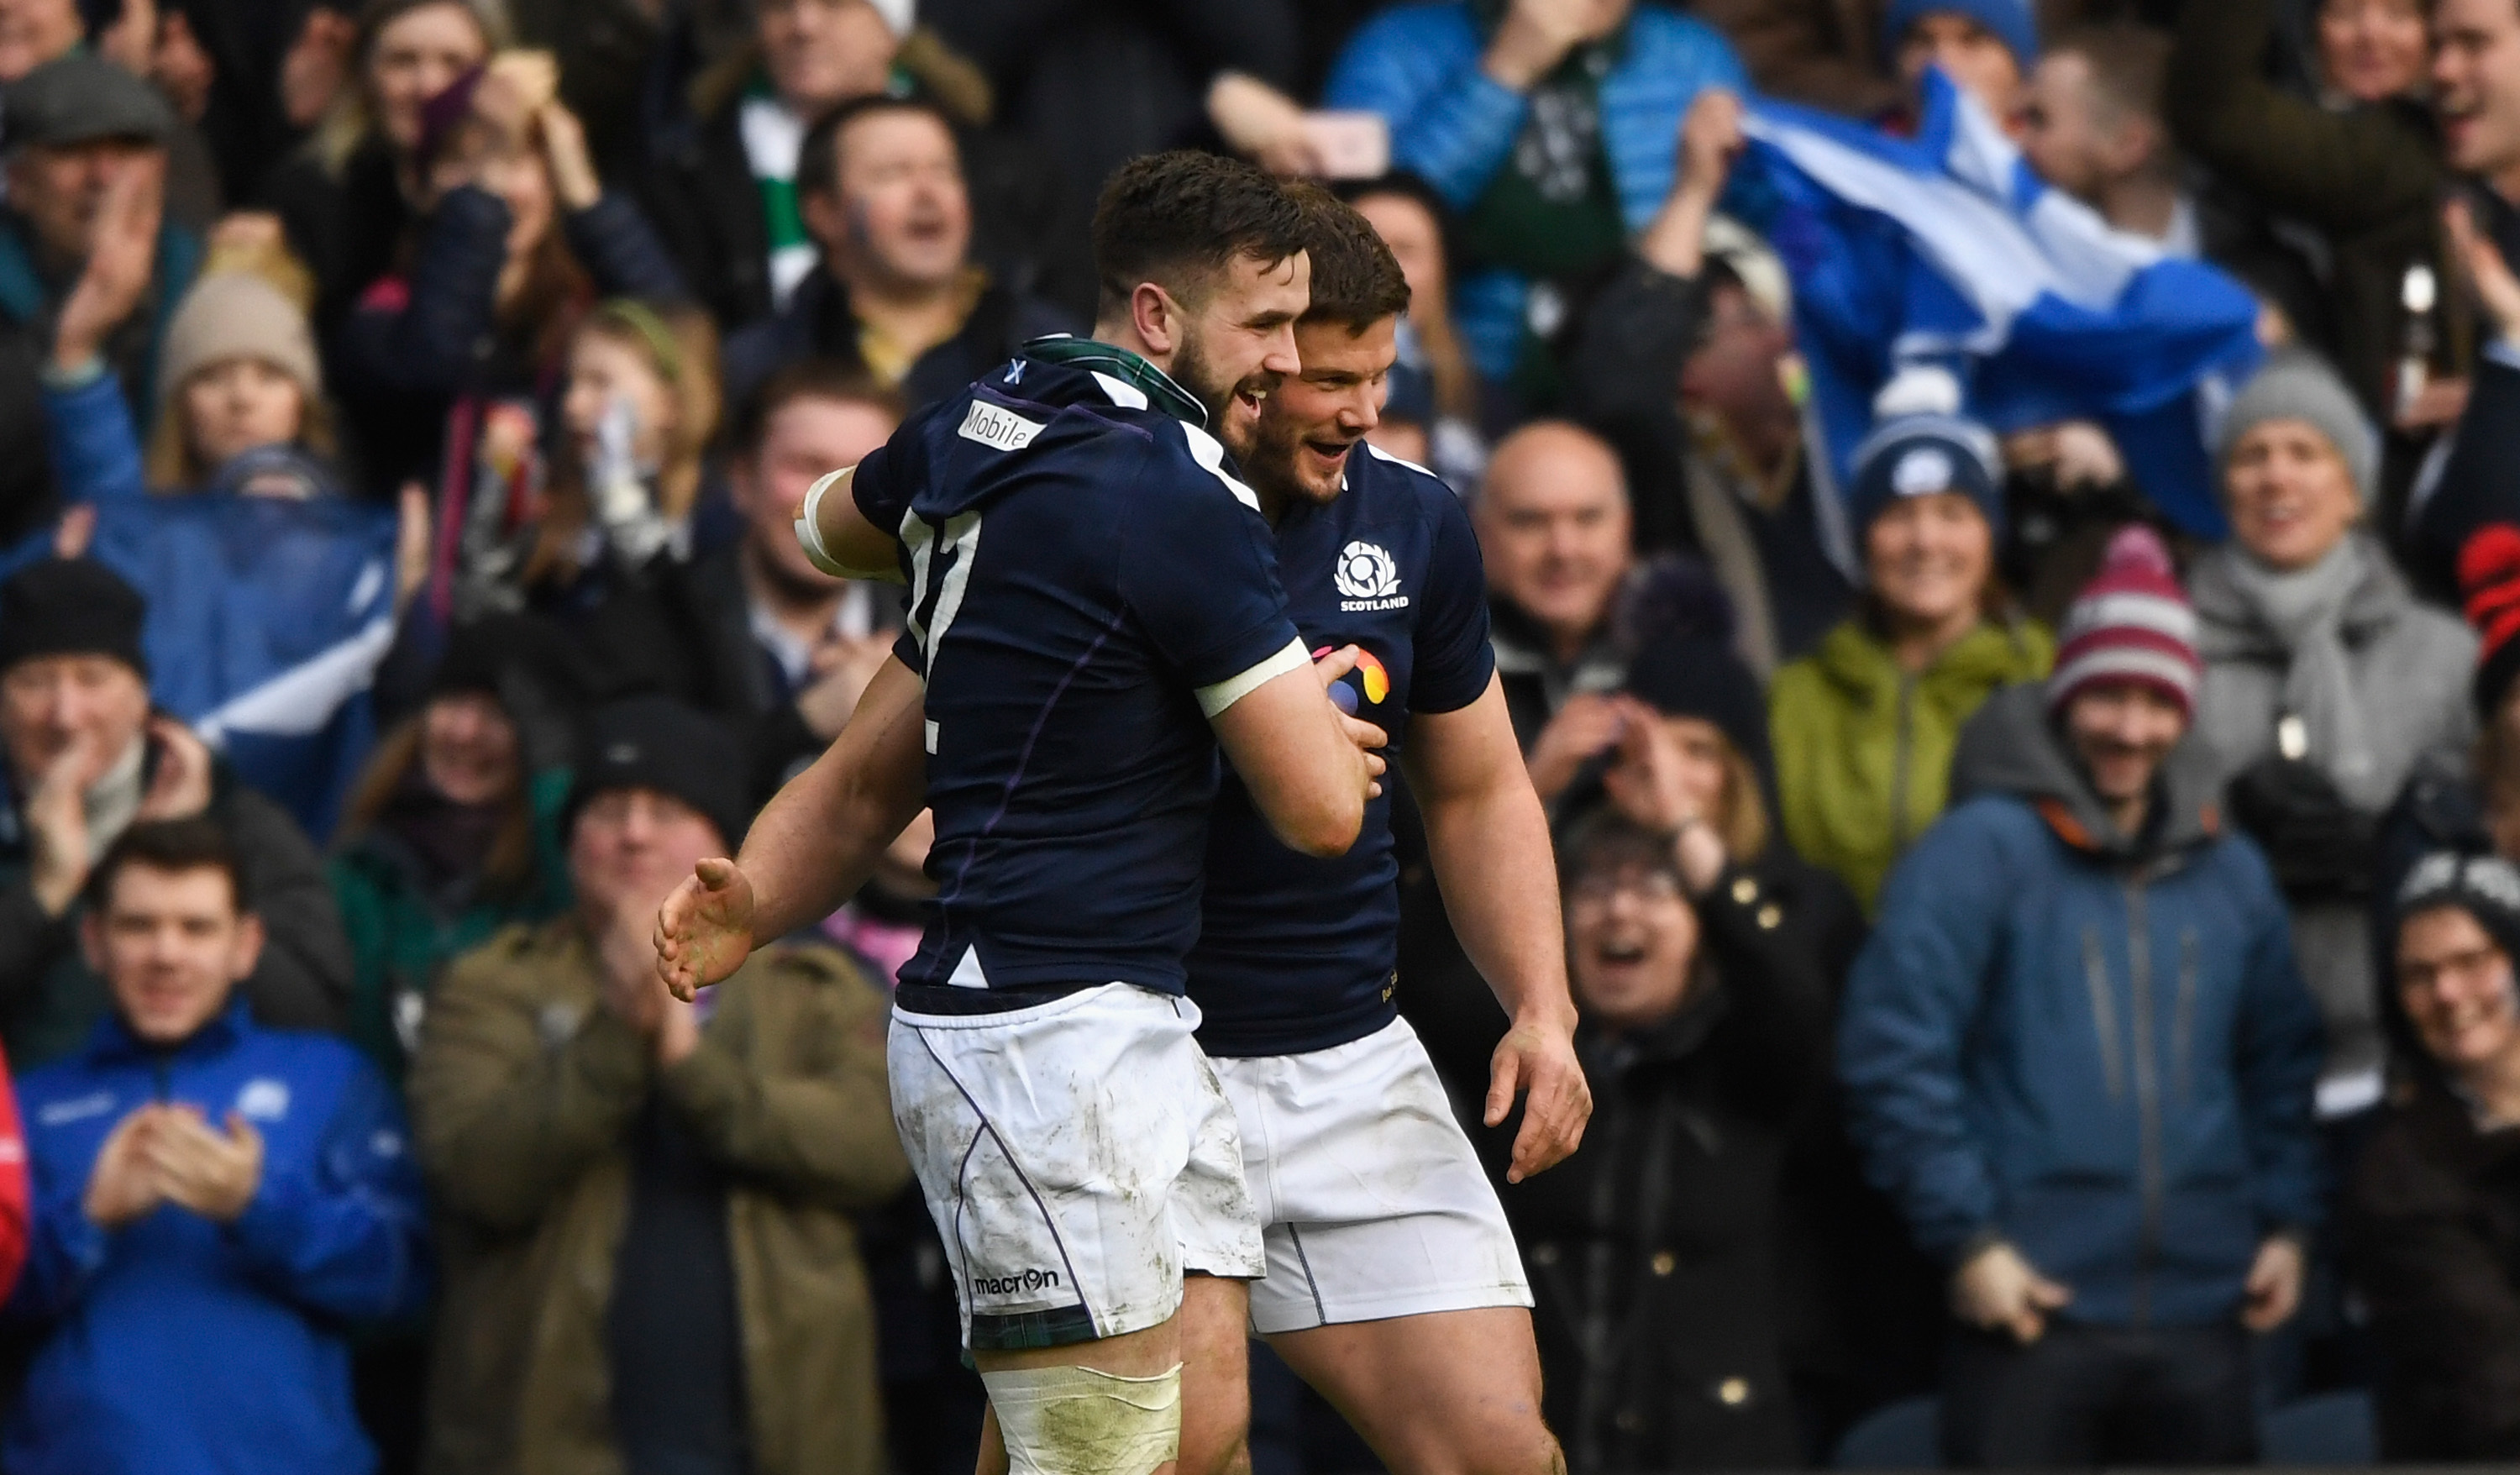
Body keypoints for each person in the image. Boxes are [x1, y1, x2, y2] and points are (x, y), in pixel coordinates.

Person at [656, 151, 1385, 1475]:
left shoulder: (983, 419)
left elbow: (825, 531)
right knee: (1107, 1459)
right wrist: (1324, 726)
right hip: (1041, 1044)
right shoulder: (1175, 490)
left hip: (1123, 1023)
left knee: (1199, 1435)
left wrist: (756, 898)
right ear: (1160, 319)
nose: (1290, 358)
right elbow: (1324, 812)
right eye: (1267, 322)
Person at [1163, 188, 1583, 1475]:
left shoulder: (1415, 520)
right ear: (1252, 360)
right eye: (1332, 379)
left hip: (1348, 1056)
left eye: (1382, 376)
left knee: (1501, 1456)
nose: (1362, 411)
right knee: (1158, 1455)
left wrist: (1542, 1008)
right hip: (1142, 1064)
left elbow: (1475, 790)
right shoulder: (1103, 513)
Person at [1839, 527, 2325, 1468]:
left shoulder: (2231, 870)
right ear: (2066, 696)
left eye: (2157, 700)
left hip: (2207, 1306)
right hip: (2030, 1303)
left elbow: (2283, 1059)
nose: (2130, 728)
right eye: (2108, 693)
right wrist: (1969, 1240)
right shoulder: (1980, 849)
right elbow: (1892, 1048)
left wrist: (2290, 1223)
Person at [408, 696, 908, 1475]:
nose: (634, 832)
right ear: (568, 840)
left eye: (666, 809)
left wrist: (688, 1066)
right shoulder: (492, 984)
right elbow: (480, 1173)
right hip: (547, 1440)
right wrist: (619, 1035)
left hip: (786, 1437)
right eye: (608, 808)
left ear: (722, 843)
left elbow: (876, 1152)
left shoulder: (815, 987)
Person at [5, 816, 427, 1475]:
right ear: (94, 942)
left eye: (197, 928)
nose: (165, 954)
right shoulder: (25, 1103)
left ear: (246, 945)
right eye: (137, 926)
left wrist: (259, 1206)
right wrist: (86, 1220)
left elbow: (406, 1281)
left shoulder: (330, 1077)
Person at [34, 249, 412, 841]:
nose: (242, 399)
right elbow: (107, 488)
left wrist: (413, 595)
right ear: (178, 402)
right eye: (212, 377)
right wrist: (76, 363)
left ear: (302, 400)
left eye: (269, 374)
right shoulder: (138, 532)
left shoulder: (356, 548)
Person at [2191, 353, 2475, 1121]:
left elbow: (2493, 840)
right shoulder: (2170, 656)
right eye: (2253, 456)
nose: (2277, 478)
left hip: (2410, 1062)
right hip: (2219, 1060)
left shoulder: (2443, 654)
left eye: (2305, 453)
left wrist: (2392, 848)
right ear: (2225, 491)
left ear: (2352, 491)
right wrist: (2228, 827)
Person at [1510, 807, 1827, 1471]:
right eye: (1593, 888)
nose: (1620, 910)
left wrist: (1683, 823)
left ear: (1703, 930)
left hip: (1716, 1444)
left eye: (1656, 887)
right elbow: (1424, 957)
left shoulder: (1752, 1068)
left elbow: (1794, 987)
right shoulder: (1512, 1062)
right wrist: (1524, 787)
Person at [0, 558, 351, 1067]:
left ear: (141, 696)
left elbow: (315, 1011)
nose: (65, 714)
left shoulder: (238, 821)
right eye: (35, 682)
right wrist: (42, 894)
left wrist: (179, 855)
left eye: (93, 679)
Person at [1567, 89, 1853, 681]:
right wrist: (1694, 190)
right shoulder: (1662, 470)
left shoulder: (1833, 453)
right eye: (1750, 324)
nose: (1780, 342)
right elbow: (1627, 362)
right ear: (1688, 367)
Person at [1320, 0, 1746, 387]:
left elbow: (1763, 238)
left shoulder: (1696, 60)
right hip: (1445, 374)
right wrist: (1505, 72)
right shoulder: (1399, 47)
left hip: (1642, 370)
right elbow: (1366, 228)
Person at [330, 50, 686, 496]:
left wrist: (585, 194)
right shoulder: (380, 314)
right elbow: (433, 363)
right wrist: (490, 174)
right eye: (467, 159)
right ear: (422, 186)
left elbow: (681, 339)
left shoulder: (583, 309)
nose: (510, 189)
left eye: (524, 161)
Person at [1769, 408, 2051, 913]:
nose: (1926, 541)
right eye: (1899, 515)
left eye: (1952, 513)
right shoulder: (1797, 693)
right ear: (1863, 539)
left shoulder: (2046, 679)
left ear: (1991, 537)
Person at [2168, 0, 2454, 423]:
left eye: (2399, 14)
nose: (2371, 35)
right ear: (2311, 33)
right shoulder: (2272, 154)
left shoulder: (2410, 151)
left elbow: (2213, 108)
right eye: (2344, 13)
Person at [329, 614, 575, 1083]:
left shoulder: (551, 883)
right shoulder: (359, 872)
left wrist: (552, 794)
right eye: (452, 702)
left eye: (497, 714)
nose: (465, 732)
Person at [719, 95, 1074, 417]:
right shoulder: (756, 367)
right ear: (825, 213)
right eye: (893, 173)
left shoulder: (1054, 354)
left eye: (944, 171)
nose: (928, 193)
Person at [2349, 851, 2520, 1461]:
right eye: (2418, 975)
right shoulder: (2399, 1174)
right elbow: (2495, 1384)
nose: (2447, 992)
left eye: (2472, 961)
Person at [672, 360, 906, 795]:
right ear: (741, 478)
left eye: (865, 473)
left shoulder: (939, 629)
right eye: (806, 466)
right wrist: (806, 721)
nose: (834, 500)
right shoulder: (657, 622)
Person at [0, 53, 200, 547]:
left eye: (127, 150)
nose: (104, 177)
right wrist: (81, 316)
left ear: (161, 171)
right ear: (18, 184)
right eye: (73, 151)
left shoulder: (209, 279)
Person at [642, 0, 901, 329]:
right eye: (780, 6)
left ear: (890, 31)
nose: (804, 26)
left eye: (835, 4)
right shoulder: (687, 160)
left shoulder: (972, 155)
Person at [262, 0, 506, 333]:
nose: (429, 86)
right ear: (365, 75)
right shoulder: (312, 196)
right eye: (403, 62)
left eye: (455, 64)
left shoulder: (526, 194)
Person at [1473, 421, 1637, 800]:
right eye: (1530, 521)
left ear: (1625, 529)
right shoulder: (1435, 680)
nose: (1563, 549)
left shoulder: (1689, 668)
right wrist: (1533, 789)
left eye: (1587, 518)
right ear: (1481, 532)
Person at [1882, 0, 2038, 126]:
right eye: (1922, 40)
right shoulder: (1864, 158)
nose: (1943, 62)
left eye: (1971, 39)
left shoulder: (2049, 159)